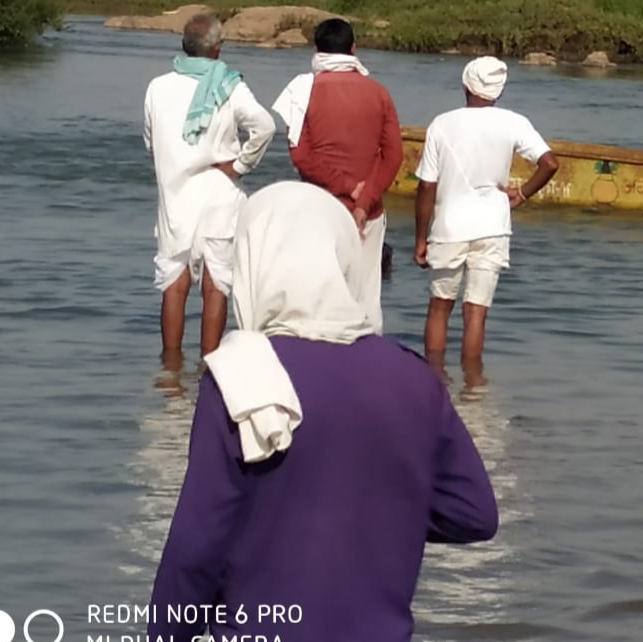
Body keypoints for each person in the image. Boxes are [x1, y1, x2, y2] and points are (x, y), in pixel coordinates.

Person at [147, 181, 498, 642]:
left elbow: (193, 555)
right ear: (343, 260)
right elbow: (474, 514)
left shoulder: (240, 377)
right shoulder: (413, 378)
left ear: (254, 258)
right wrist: (377, 508)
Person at [414, 56, 559, 387]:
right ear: (499, 90)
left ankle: (433, 383)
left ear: (466, 84)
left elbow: (426, 185)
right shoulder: (514, 122)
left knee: (439, 307)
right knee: (475, 312)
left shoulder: (442, 123)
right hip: (493, 227)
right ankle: (473, 388)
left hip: (449, 228)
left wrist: (421, 238)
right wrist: (521, 194)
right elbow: (549, 164)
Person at [144, 12, 275, 359]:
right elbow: (265, 126)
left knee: (174, 282)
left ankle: (170, 372)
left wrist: (173, 161)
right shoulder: (230, 86)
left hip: (174, 195)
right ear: (217, 49)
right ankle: (210, 368)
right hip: (219, 192)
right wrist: (241, 165)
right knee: (215, 285)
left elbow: (150, 141)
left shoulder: (158, 86)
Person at [271, 18, 401, 334]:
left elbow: (301, 157)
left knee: (317, 296)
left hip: (320, 208)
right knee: (366, 300)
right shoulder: (378, 93)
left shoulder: (304, 92)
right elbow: (393, 157)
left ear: (317, 50)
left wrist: (347, 189)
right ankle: (366, 370)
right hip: (368, 213)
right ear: (353, 49)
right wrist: (363, 200)